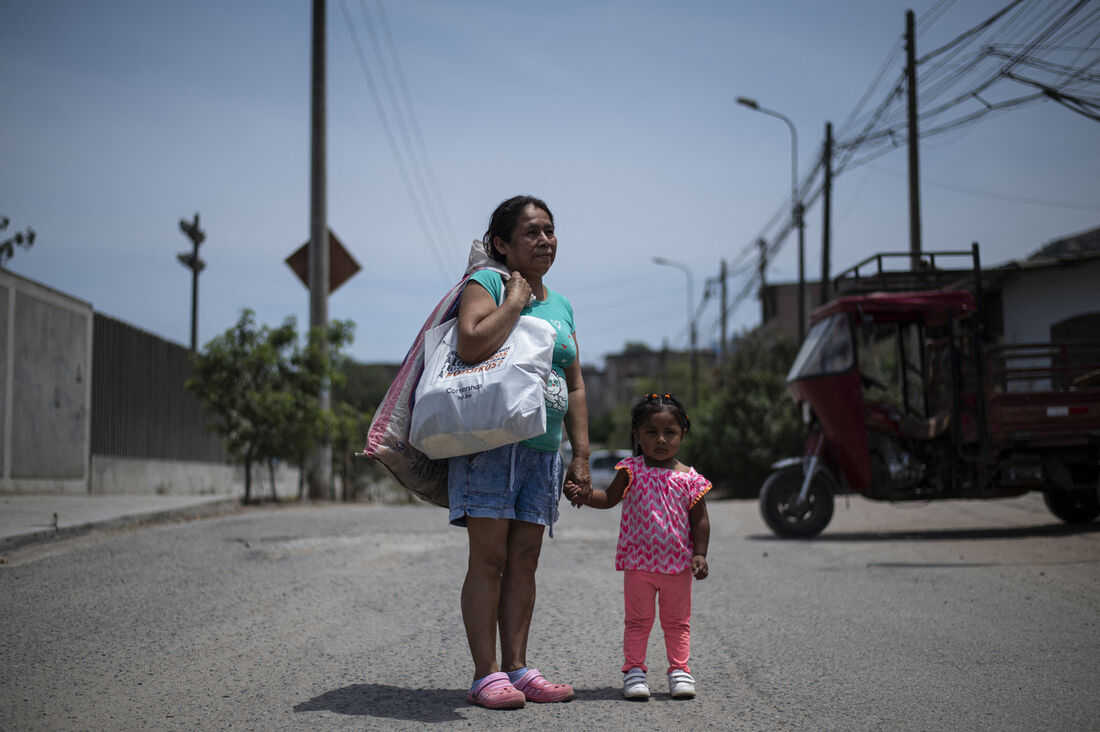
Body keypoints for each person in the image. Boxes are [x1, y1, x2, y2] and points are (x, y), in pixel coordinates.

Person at [450, 195, 591, 709]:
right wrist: (514, 299)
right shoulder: (487, 283)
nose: (545, 240)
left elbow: (574, 383)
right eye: (531, 232)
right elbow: (469, 344)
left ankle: (518, 667)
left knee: (525, 561)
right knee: (488, 560)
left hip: (541, 453)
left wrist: (579, 455)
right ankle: (485, 675)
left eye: (550, 230)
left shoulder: (564, 305)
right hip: (490, 448)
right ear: (502, 244)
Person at [564, 393, 711, 700]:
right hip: (639, 566)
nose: (661, 440)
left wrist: (699, 554)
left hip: (677, 567)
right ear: (637, 435)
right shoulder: (631, 470)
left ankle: (680, 671)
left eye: (669, 432)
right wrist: (585, 496)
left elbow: (700, 521)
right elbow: (609, 498)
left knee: (677, 623)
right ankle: (634, 672)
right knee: (638, 622)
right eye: (651, 432)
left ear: (683, 433)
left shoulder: (690, 479)